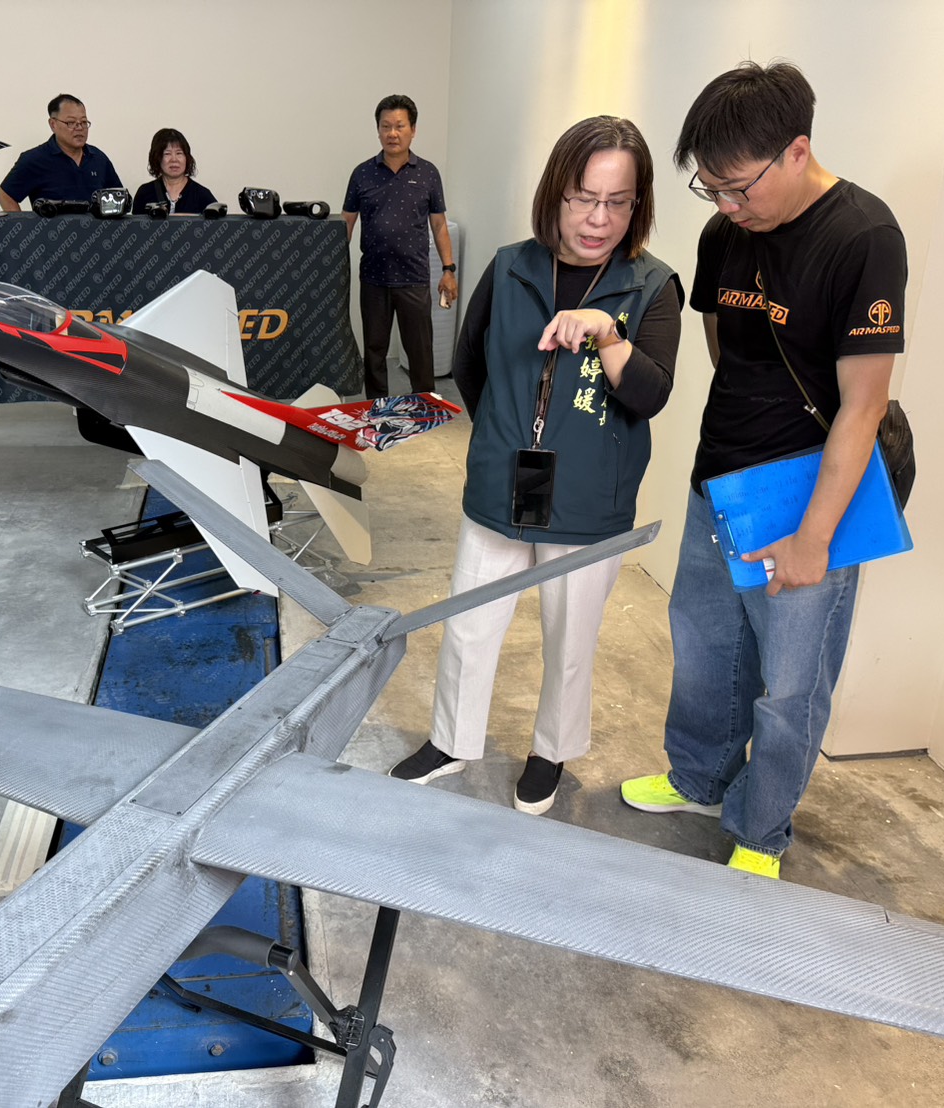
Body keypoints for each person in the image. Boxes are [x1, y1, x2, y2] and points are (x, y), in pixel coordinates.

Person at [620, 61, 906, 880]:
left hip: (807, 492)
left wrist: (813, 536)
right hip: (720, 480)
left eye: (738, 187)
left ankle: (760, 827)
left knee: (789, 683)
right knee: (704, 649)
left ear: (796, 151)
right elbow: (730, 353)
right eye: (709, 189)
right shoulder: (723, 236)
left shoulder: (862, 237)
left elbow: (863, 404)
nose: (725, 207)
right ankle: (698, 778)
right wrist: (727, 465)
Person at [389, 116, 683, 816]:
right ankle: (451, 740)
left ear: (637, 205)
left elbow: (650, 395)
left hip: (588, 499)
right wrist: (505, 432)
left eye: (618, 202)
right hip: (502, 482)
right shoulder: (511, 266)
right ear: (555, 193)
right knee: (469, 621)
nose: (598, 218)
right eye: (584, 198)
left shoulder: (651, 286)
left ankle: (550, 751)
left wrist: (609, 336)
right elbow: (469, 363)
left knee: (569, 637)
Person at [342, 94, 457, 398]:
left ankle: (424, 408)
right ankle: (377, 409)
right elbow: (347, 223)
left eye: (399, 126)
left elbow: (439, 225)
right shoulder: (362, 174)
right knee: (374, 352)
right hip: (374, 279)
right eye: (386, 126)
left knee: (420, 352)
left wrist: (449, 270)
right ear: (378, 130)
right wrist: (333, 268)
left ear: (413, 130)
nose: (392, 133)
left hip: (414, 279)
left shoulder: (428, 173)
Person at [0, 94, 122, 211]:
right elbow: (5, 196)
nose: (79, 128)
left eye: (83, 122)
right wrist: (23, 225)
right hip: (52, 227)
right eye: (71, 123)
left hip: (94, 227)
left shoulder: (98, 158)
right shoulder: (34, 159)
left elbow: (118, 198)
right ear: (53, 124)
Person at [132, 129, 218, 214]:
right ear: (157, 158)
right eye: (167, 154)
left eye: (179, 153)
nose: (174, 159)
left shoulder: (201, 194)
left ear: (187, 158)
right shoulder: (144, 193)